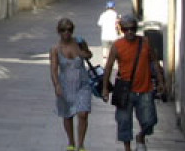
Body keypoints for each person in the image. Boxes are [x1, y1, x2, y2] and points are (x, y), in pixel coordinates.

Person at [102, 15, 166, 151]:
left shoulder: (145, 42)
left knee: (150, 121)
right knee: (124, 122)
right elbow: (108, 67)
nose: (129, 32)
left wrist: (160, 81)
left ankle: (141, 136)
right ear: (121, 29)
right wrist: (105, 88)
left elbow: (154, 62)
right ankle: (128, 149)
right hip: (125, 90)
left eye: (132, 28)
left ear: (136, 29)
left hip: (145, 90)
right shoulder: (117, 46)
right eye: (126, 29)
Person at [50, 18, 93, 151]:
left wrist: (84, 53)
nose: (67, 32)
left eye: (69, 29)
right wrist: (56, 85)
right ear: (59, 31)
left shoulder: (79, 42)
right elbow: (53, 68)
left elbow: (89, 55)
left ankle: (81, 144)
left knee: (83, 113)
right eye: (63, 30)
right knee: (67, 114)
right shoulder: (55, 49)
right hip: (65, 84)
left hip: (82, 83)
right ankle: (71, 142)